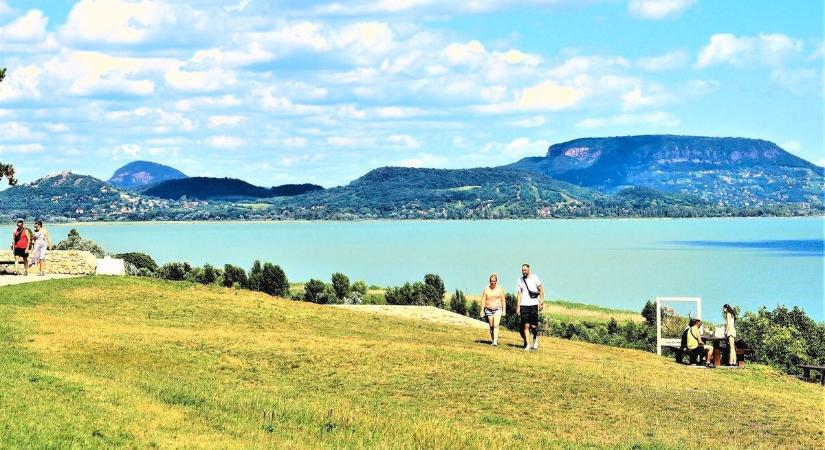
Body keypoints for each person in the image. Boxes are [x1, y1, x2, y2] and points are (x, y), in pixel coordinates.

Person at [515, 263, 543, 351]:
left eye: (525, 270)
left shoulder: (535, 277)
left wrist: (541, 302)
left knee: (533, 326)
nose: (524, 272)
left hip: (534, 304)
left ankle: (535, 339)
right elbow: (519, 294)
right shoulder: (520, 280)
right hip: (524, 304)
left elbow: (541, 289)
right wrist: (518, 307)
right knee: (526, 326)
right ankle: (527, 344)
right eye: (522, 270)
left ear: (529, 269)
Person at [479, 273, 506, 346]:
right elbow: (483, 300)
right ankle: (493, 340)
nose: (492, 282)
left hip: (498, 309)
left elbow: (503, 300)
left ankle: (495, 342)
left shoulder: (500, 289)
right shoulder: (486, 289)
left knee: (496, 325)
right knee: (491, 325)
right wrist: (481, 310)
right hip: (488, 309)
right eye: (491, 281)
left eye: (494, 281)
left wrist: (504, 310)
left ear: (496, 281)